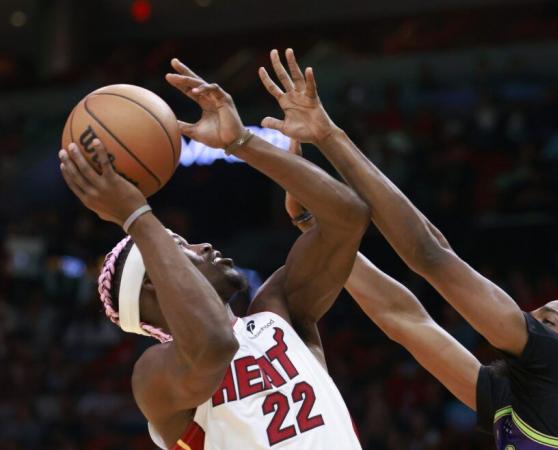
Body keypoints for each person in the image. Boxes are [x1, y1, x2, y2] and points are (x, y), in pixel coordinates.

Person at [262, 48, 558, 449]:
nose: (527, 318)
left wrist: (328, 136)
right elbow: (403, 319)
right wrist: (319, 230)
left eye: (545, 323)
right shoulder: (519, 401)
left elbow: (431, 253)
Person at [58, 58, 369, 450]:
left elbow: (347, 218)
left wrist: (243, 143)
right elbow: (214, 345)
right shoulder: (155, 374)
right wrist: (135, 215)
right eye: (180, 247)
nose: (203, 245)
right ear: (155, 282)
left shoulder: (277, 310)